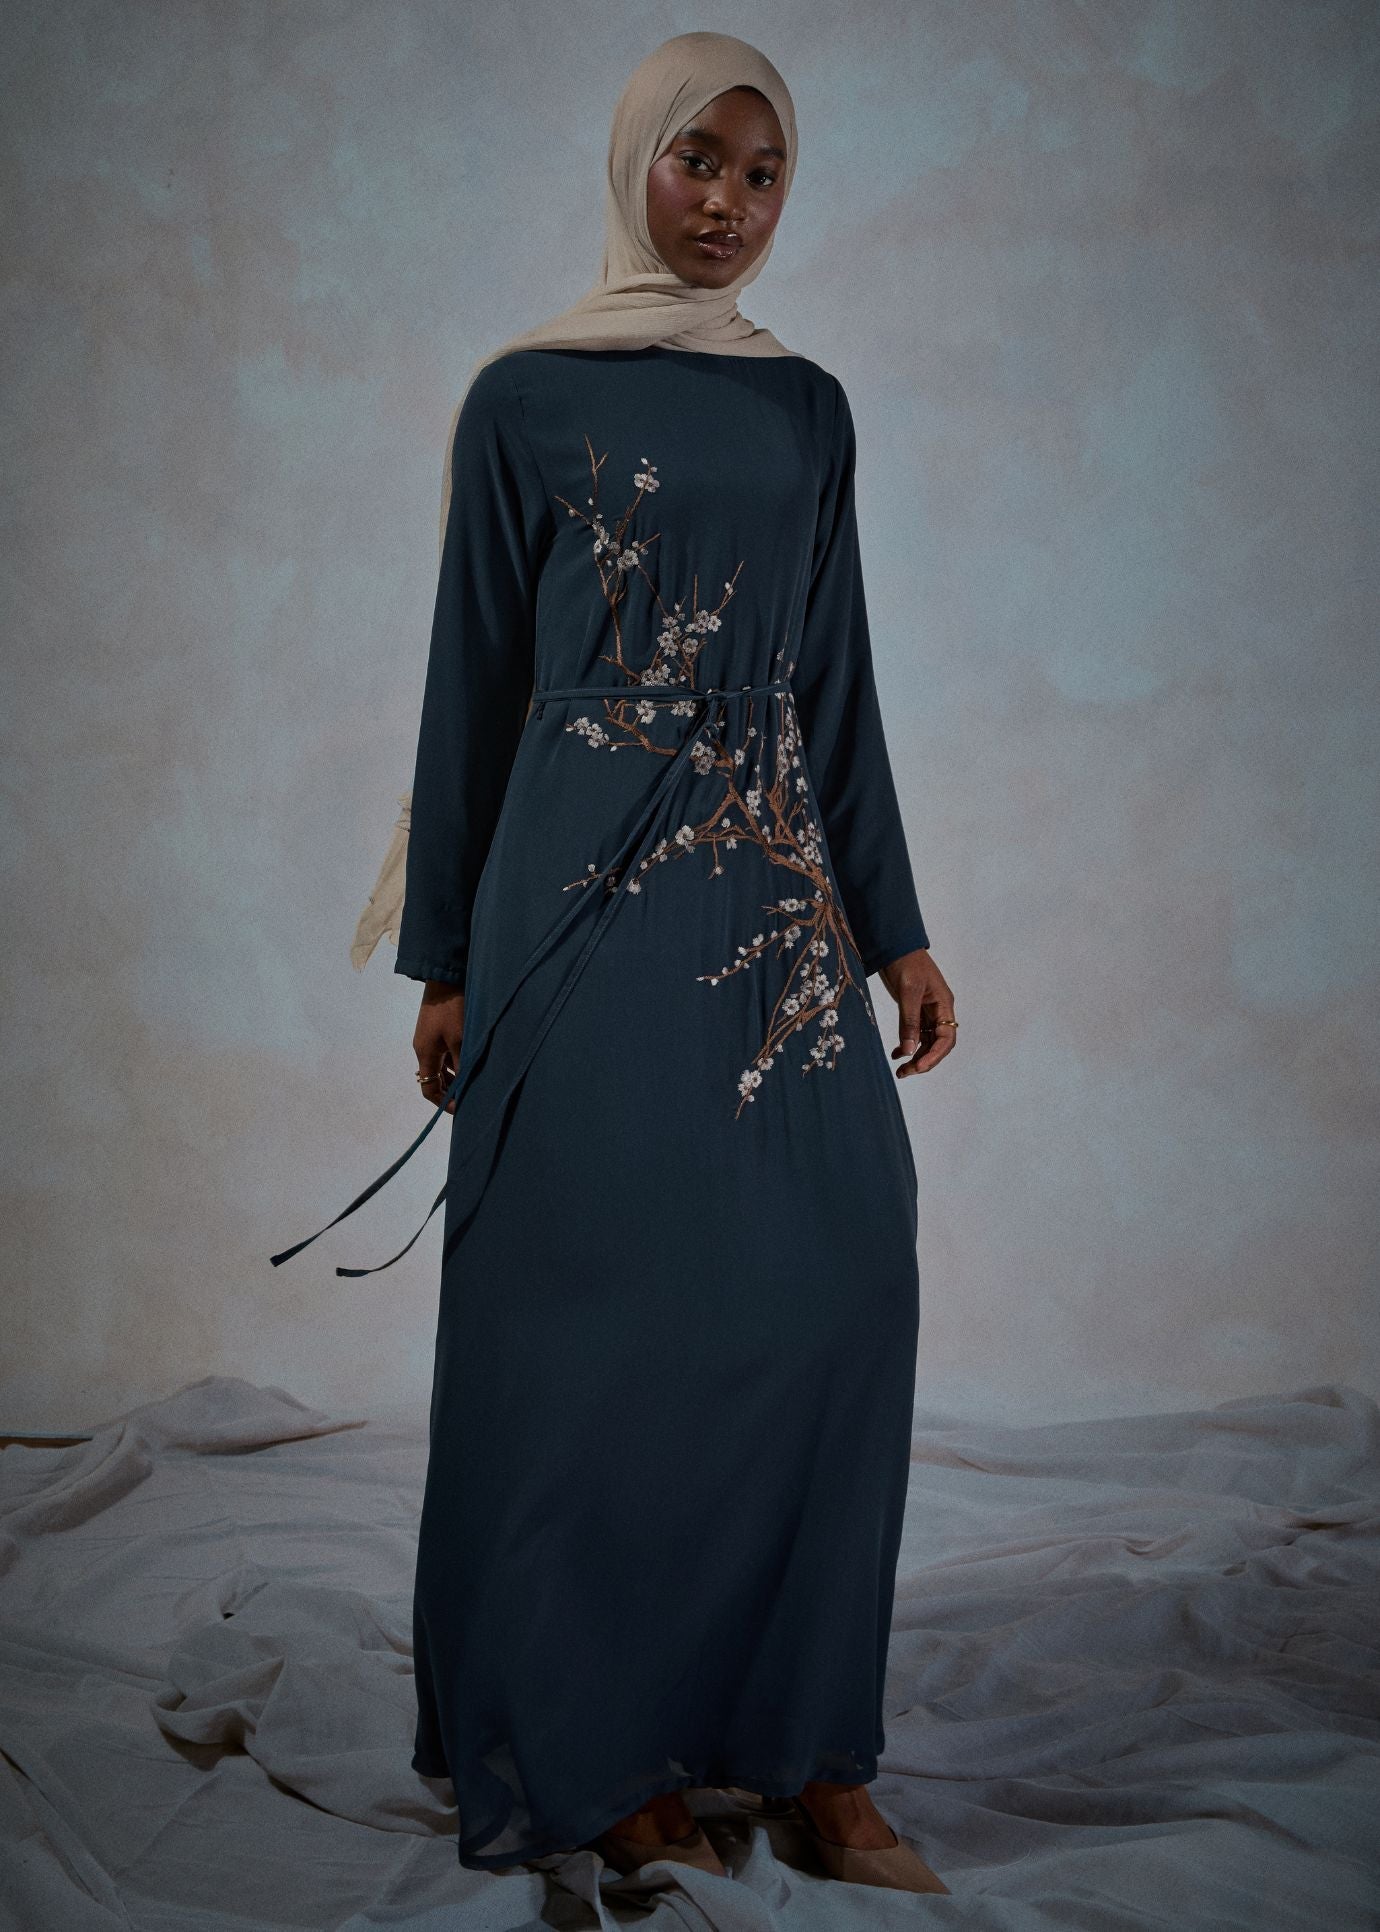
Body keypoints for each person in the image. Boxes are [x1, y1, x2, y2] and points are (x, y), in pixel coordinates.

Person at [274, 29, 958, 1897]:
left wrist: (895, 923)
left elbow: (836, 683)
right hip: (571, 906)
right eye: (696, 160)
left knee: (846, 1279)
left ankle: (810, 1746)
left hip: (767, 902)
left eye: (763, 171)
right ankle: (601, 1743)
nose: (728, 203)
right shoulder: (522, 399)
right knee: (591, 1331)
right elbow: (472, 684)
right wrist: (444, 962)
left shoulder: (808, 407)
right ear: (633, 162)